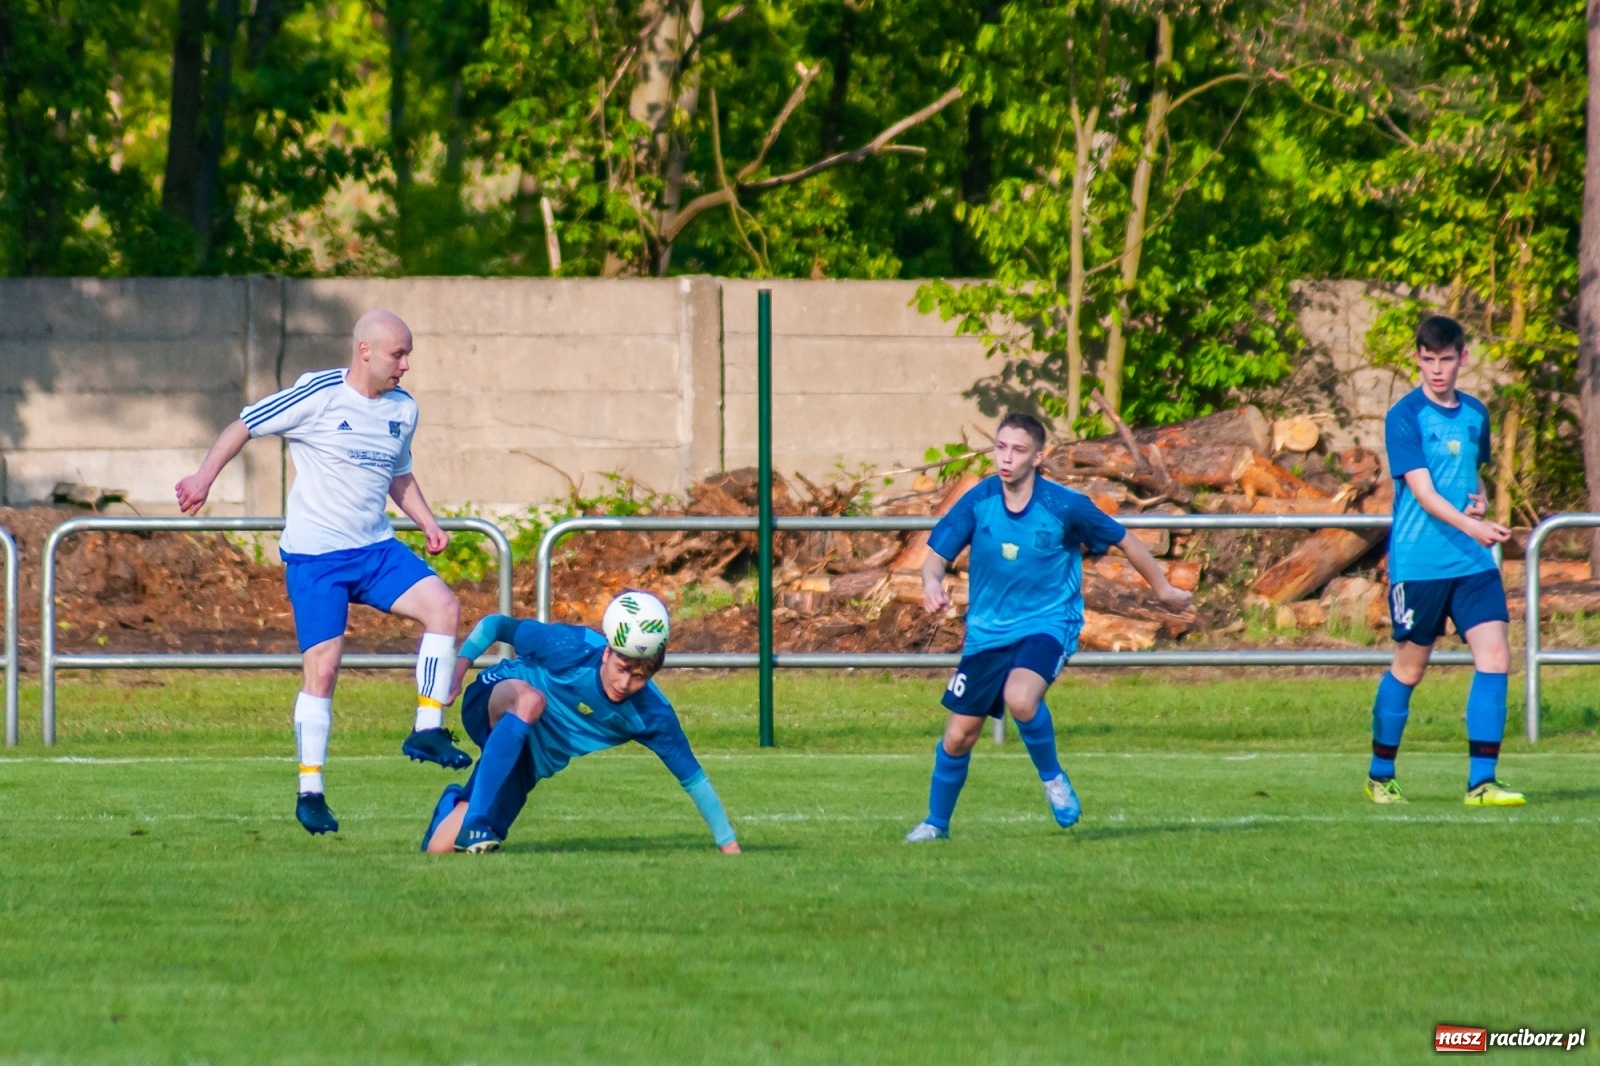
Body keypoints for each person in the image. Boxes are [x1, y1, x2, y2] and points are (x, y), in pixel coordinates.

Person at [175, 309, 470, 836]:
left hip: (376, 549)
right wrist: (203, 477)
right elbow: (244, 424)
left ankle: (427, 729)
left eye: (408, 355)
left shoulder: (403, 410)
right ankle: (310, 791)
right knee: (325, 671)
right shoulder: (318, 394)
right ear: (365, 351)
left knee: (444, 609)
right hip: (317, 558)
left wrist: (427, 522)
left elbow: (397, 474)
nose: (405, 365)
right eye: (397, 354)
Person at [905, 412, 1193, 842]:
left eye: (1018, 450)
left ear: (1038, 457)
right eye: (1000, 447)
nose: (1006, 458)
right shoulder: (979, 499)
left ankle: (1053, 780)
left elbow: (1124, 538)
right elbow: (934, 561)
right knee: (959, 736)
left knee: (1021, 699)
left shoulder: (1064, 506)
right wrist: (932, 586)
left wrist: (1164, 588)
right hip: (987, 633)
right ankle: (935, 824)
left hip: (1049, 622)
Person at [421, 592, 740, 855]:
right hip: (496, 698)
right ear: (606, 655)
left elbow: (694, 780)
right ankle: (477, 817)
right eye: (622, 667)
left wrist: (729, 846)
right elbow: (495, 625)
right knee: (531, 701)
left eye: (639, 676)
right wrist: (459, 672)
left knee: (441, 850)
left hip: (528, 759)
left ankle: (456, 806)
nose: (625, 682)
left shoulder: (653, 715)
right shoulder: (569, 646)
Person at [1364, 315, 1522, 806]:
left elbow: (1471, 479)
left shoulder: (1476, 413)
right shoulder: (1405, 416)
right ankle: (1380, 774)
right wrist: (1474, 525)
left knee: (1495, 656)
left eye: (1446, 359)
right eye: (1428, 359)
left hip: (1472, 563)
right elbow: (1425, 494)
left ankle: (1482, 783)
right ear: (1417, 357)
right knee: (1411, 668)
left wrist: (1478, 501)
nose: (1436, 370)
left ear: (1463, 358)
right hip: (1420, 563)